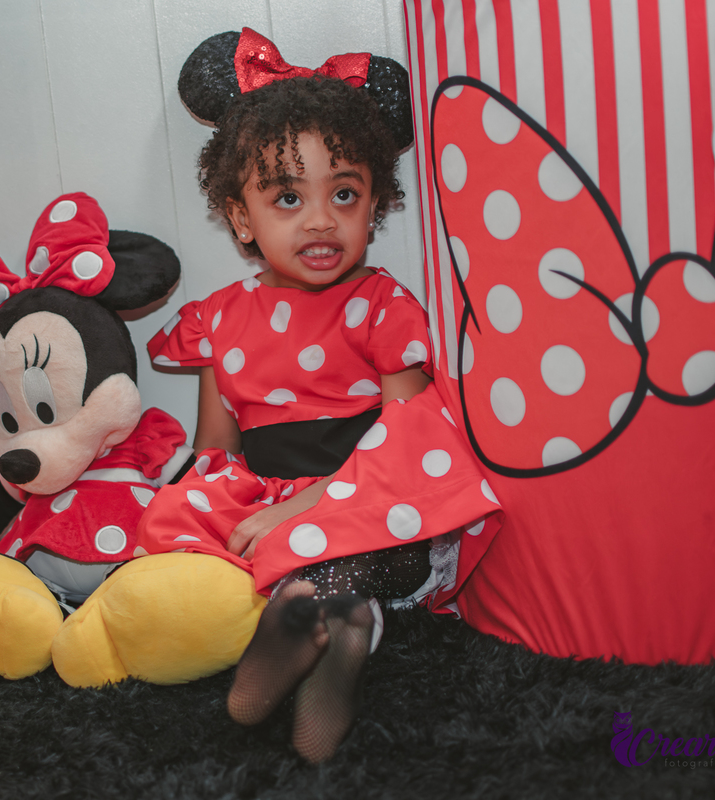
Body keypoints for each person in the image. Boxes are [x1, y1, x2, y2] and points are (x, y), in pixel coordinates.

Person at [136, 58, 501, 763]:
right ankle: (336, 619)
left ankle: (322, 618)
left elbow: (410, 443)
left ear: (375, 205)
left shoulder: (381, 305)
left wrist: (309, 507)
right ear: (240, 218)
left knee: (371, 542)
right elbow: (217, 451)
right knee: (180, 514)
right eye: (287, 198)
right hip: (272, 497)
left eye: (344, 193)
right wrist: (223, 510)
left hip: (368, 498)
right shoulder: (221, 319)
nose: (321, 219)